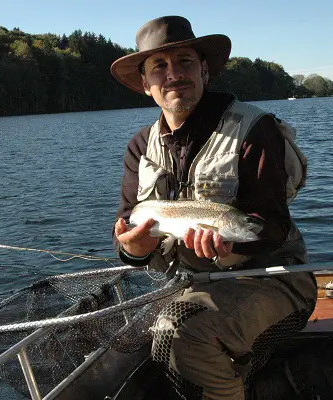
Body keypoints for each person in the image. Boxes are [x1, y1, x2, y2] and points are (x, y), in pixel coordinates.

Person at [110, 16, 317, 400]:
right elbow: (127, 228)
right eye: (160, 67)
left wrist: (233, 247)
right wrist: (132, 248)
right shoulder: (140, 147)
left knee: (182, 333)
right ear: (145, 84)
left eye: (185, 62)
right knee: (138, 339)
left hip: (275, 279)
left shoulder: (254, 128)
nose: (174, 74)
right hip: (190, 286)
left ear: (204, 69)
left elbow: (269, 226)